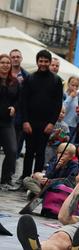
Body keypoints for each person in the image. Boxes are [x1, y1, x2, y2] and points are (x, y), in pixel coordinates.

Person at [21, 49, 63, 180]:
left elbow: (57, 104)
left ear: (50, 62)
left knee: (40, 152)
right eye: (41, 61)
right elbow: (23, 101)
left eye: (46, 61)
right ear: (37, 62)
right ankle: (25, 177)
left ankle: (36, 179)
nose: (43, 63)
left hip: (46, 124)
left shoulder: (56, 81)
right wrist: (25, 121)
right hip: (30, 122)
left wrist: (52, 122)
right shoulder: (29, 78)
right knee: (28, 152)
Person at [0, 54, 20, 189]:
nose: (6, 65)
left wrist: (15, 107)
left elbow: (19, 99)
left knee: (12, 150)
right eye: (2, 62)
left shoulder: (14, 81)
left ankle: (5, 179)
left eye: (8, 63)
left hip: (7, 122)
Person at [9, 49, 29, 159]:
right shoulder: (4, 74)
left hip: (19, 117)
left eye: (18, 57)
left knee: (15, 147)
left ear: (21, 58)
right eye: (13, 57)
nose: (16, 59)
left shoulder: (27, 76)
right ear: (10, 58)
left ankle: (10, 173)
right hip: (4, 114)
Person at [63, 76, 79, 142]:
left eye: (77, 86)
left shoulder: (78, 98)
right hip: (63, 125)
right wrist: (70, 97)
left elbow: (76, 113)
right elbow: (62, 108)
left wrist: (78, 113)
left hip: (73, 126)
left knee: (70, 147)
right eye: (73, 85)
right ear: (68, 84)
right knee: (61, 144)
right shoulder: (64, 95)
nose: (74, 88)